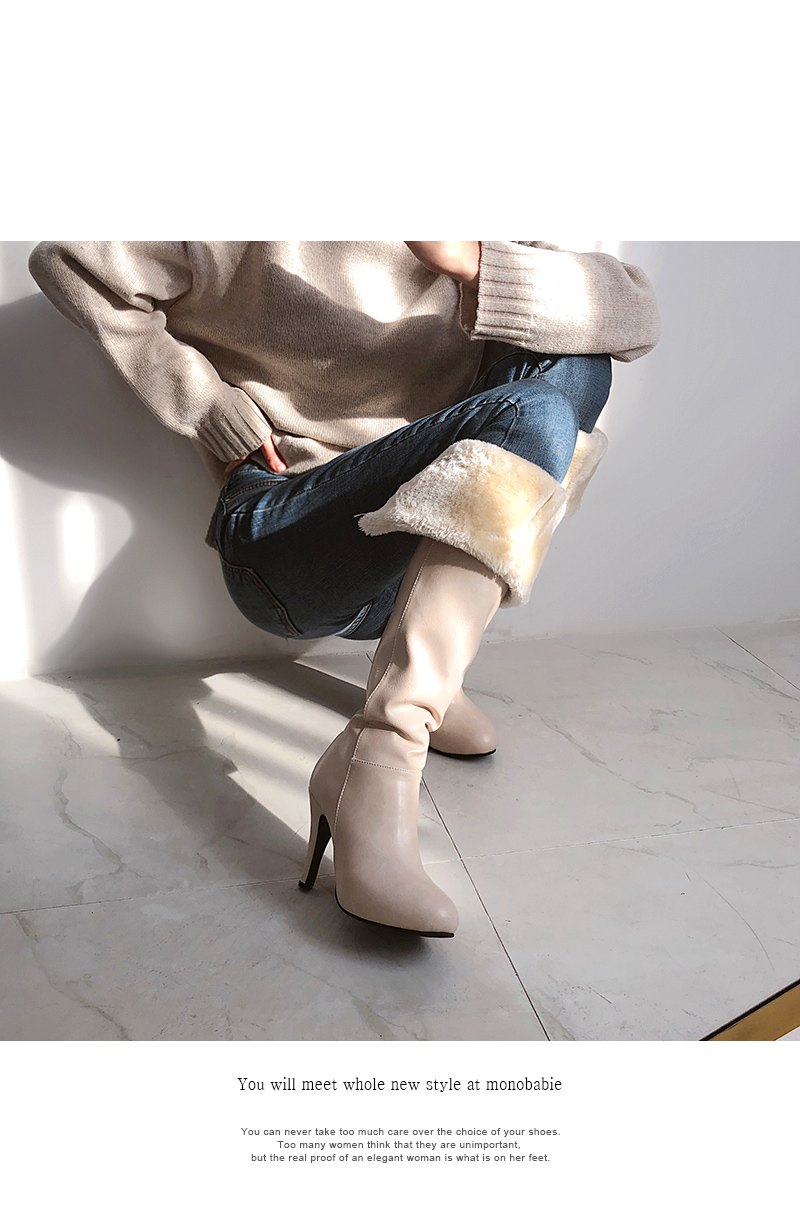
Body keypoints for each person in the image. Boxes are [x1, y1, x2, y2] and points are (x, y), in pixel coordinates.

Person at [28, 240, 660, 938]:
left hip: (415, 534)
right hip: (289, 531)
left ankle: (416, 689)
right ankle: (383, 754)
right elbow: (69, 263)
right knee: (534, 414)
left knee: (576, 363)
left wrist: (474, 261)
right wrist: (210, 409)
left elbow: (634, 312)